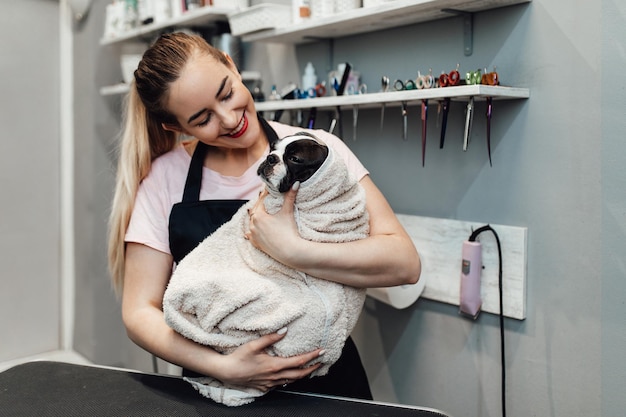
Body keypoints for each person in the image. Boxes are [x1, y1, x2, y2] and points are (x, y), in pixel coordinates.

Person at [107, 32, 421, 400]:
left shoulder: (319, 154)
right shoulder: (165, 178)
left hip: (324, 387)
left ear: (231, 64)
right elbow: (138, 312)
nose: (229, 118)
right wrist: (226, 368)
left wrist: (292, 251)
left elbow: (404, 263)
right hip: (218, 385)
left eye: (226, 93)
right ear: (176, 128)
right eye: (203, 117)